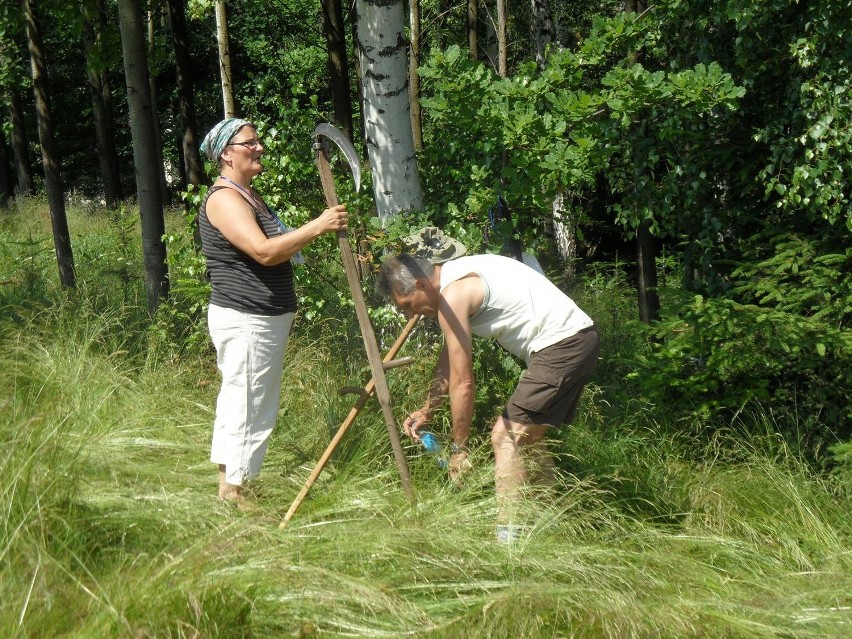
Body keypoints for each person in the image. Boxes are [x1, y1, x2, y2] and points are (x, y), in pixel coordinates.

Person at [376, 237, 599, 537]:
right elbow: (448, 361)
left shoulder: (453, 294)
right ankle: (550, 525)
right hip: (575, 340)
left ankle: (507, 542)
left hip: (561, 344)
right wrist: (427, 410)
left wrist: (459, 449)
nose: (410, 314)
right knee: (528, 439)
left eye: (407, 306)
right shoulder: (455, 281)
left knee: (505, 438)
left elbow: (464, 381)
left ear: (421, 285)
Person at [198, 117, 348, 505]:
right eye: (251, 143)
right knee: (250, 406)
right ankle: (236, 494)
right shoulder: (224, 199)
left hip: (260, 319)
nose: (260, 147)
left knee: (243, 401)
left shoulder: (248, 194)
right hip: (247, 318)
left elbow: (277, 246)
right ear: (227, 155)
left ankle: (230, 487)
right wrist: (318, 226)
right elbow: (264, 252)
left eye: (259, 140)